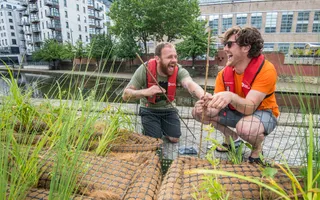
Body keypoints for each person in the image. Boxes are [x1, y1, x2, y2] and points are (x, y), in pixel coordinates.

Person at [192, 26, 279, 165]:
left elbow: (250, 107)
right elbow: (215, 108)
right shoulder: (223, 74)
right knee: (198, 112)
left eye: (229, 44)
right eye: (224, 44)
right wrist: (206, 106)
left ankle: (257, 148)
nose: (225, 49)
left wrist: (230, 96)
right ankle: (231, 137)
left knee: (246, 128)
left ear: (246, 48)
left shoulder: (266, 70)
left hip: (263, 113)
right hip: (236, 111)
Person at [122, 42, 206, 143]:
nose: (174, 60)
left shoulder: (178, 69)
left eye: (175, 56)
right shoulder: (144, 69)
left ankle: (159, 126)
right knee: (155, 140)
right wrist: (146, 92)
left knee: (174, 139)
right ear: (157, 58)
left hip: (168, 109)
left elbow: (189, 83)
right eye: (169, 57)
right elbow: (125, 95)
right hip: (149, 109)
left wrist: (203, 96)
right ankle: (151, 127)